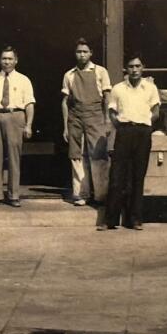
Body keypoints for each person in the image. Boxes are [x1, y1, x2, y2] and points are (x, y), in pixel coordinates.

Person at [102, 54, 159, 231]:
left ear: (143, 68)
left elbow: (156, 109)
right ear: (126, 69)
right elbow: (111, 110)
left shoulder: (150, 88)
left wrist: (147, 123)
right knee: (117, 176)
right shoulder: (118, 88)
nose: (134, 70)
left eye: (137, 66)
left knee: (137, 176)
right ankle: (110, 220)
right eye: (131, 66)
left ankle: (135, 219)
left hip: (142, 133)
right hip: (124, 132)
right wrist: (118, 123)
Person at [0, 47, 35, 207]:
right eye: (4, 58)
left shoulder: (24, 80)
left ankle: (14, 195)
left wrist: (28, 125)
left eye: (10, 59)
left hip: (15, 117)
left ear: (16, 60)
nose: (7, 62)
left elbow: (29, 104)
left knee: (14, 157)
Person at [61, 38, 112, 207]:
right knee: (76, 156)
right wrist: (65, 126)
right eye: (78, 52)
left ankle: (101, 194)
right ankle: (81, 194)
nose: (81, 55)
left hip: (95, 116)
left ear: (91, 53)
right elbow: (65, 101)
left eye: (85, 51)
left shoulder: (100, 72)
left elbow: (107, 98)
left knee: (98, 155)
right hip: (75, 117)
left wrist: (107, 121)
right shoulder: (69, 75)